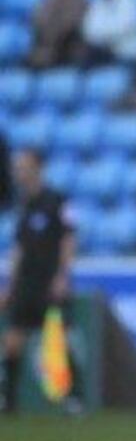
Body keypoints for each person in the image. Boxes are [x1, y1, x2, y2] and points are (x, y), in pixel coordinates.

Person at [1, 150, 76, 413]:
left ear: (38, 168)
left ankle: (71, 399)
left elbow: (68, 239)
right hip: (26, 282)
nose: (19, 171)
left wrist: (62, 276)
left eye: (24, 166)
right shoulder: (23, 204)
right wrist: (10, 285)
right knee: (12, 340)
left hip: (49, 279)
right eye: (17, 167)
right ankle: (9, 402)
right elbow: (19, 249)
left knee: (58, 340)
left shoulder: (56, 201)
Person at [81, 0, 136, 66]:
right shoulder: (99, 1)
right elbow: (88, 30)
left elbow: (125, 28)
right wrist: (107, 34)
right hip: (105, 55)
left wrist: (102, 34)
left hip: (131, 57)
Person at [26, 0, 87, 69]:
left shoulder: (81, 2)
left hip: (67, 49)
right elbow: (38, 21)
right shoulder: (49, 1)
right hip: (47, 46)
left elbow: (71, 25)